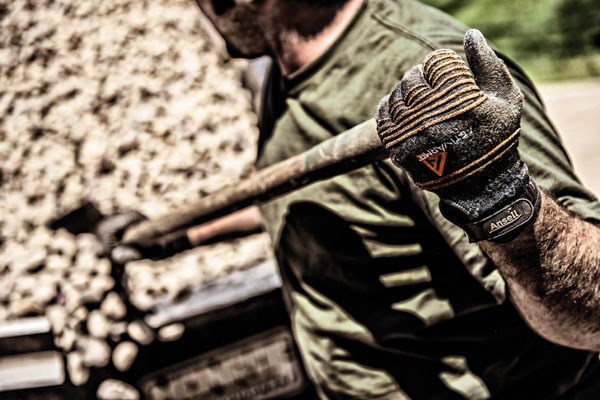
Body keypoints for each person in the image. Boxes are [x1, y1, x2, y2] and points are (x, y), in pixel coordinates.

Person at [106, 0, 600, 398]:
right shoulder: (287, 74)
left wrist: (498, 197)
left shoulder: (422, 72)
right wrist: (184, 235)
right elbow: (325, 193)